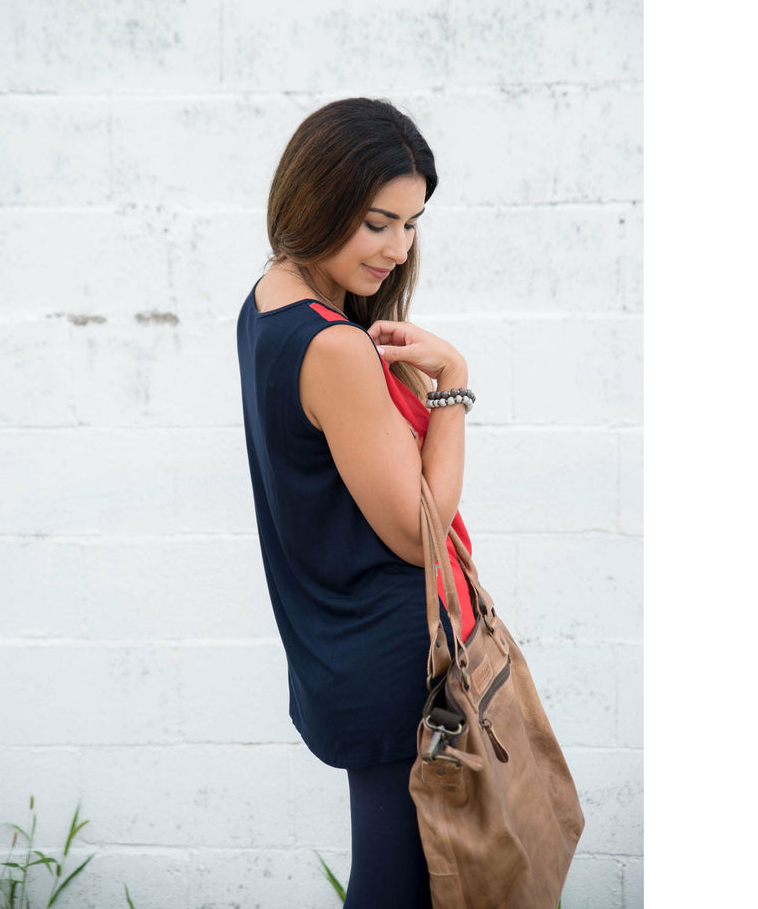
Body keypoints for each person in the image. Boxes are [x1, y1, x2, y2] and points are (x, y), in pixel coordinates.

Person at [236, 97, 478, 908]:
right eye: (378, 222)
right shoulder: (334, 347)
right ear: (321, 197)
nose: (397, 248)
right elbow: (420, 535)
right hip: (391, 655)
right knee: (398, 889)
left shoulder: (268, 301)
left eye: (411, 224)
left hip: (342, 642)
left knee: (396, 881)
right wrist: (452, 386)